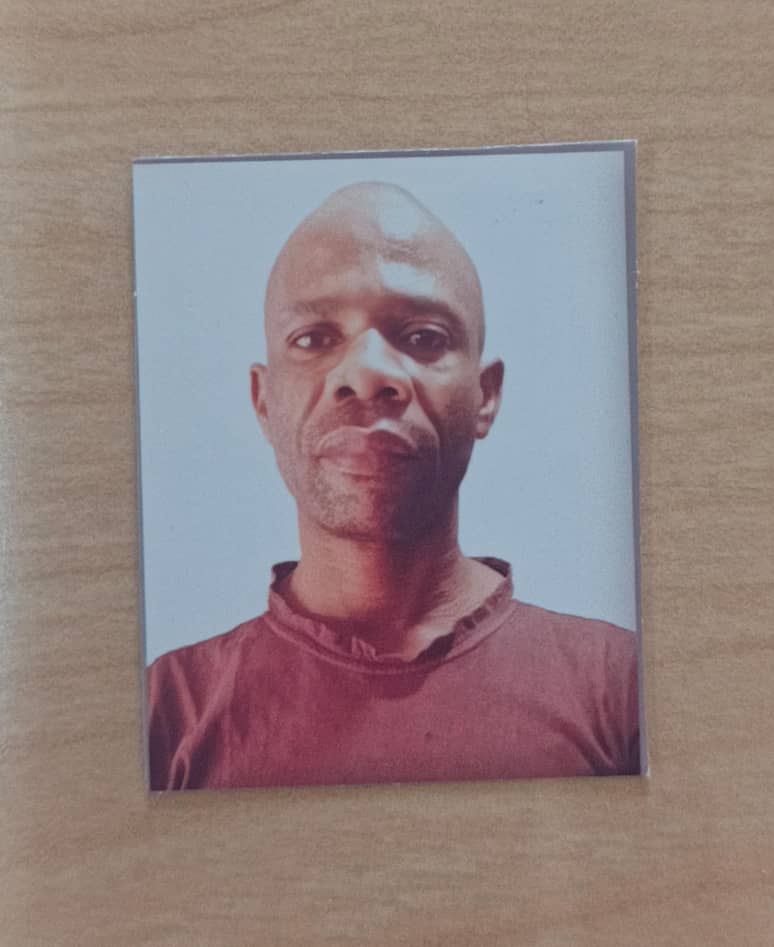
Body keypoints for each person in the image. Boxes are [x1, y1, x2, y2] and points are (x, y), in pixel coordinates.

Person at [146, 181, 641, 790]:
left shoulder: (622, 688)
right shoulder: (165, 712)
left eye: (424, 337)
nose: (368, 372)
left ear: (485, 396)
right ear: (263, 401)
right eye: (314, 338)